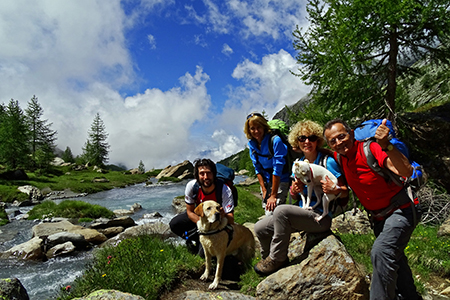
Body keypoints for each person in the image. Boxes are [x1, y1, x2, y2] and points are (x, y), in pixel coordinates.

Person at [323, 118, 422, 300]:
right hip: (378, 219)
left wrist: (387, 145)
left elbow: (406, 171)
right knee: (395, 260)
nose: (338, 142)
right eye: (333, 141)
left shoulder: (371, 148)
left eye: (341, 136)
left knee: (381, 252)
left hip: (401, 210)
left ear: (351, 134)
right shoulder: (340, 158)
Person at [253, 120, 348, 275]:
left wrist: (335, 189)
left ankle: (278, 259)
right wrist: (294, 191)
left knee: (281, 211)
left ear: (318, 140)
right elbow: (294, 194)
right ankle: (267, 259)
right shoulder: (299, 165)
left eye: (311, 137)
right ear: (296, 141)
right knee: (260, 228)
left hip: (321, 217)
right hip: (304, 212)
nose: (307, 141)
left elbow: (345, 191)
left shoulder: (327, 161)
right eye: (302, 138)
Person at [169, 158, 235, 255]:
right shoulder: (192, 186)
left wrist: (222, 215)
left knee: (203, 254)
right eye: (202, 173)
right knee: (174, 224)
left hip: (218, 223)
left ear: (214, 174)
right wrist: (203, 227)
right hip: (201, 220)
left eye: (209, 173)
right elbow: (190, 212)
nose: (205, 177)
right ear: (197, 175)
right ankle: (196, 239)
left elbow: (231, 219)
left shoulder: (224, 190)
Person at [244, 112, 290, 215]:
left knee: (272, 213)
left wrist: (273, 195)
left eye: (259, 127)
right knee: (268, 211)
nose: (256, 131)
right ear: (249, 130)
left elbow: (277, 168)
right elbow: (257, 168)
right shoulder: (252, 145)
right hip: (266, 181)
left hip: (281, 179)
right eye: (252, 128)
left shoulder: (275, 141)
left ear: (264, 126)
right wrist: (264, 190)